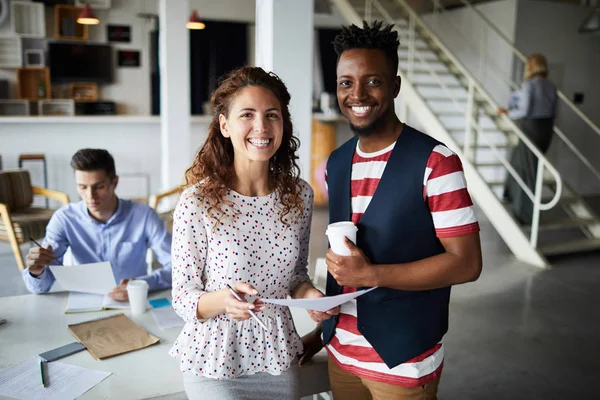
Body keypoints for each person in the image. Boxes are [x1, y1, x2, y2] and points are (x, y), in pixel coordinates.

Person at [301, 21, 483, 400]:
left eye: (373, 81)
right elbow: (346, 260)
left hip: (403, 363)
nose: (357, 94)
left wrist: (372, 274)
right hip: (342, 355)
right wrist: (323, 333)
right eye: (345, 83)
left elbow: (467, 264)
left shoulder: (437, 162)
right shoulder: (336, 163)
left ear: (395, 86)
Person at [169, 66, 335, 400]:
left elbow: (295, 278)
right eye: (247, 114)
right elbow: (183, 296)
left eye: (271, 115)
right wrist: (224, 301)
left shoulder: (300, 195)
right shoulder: (197, 201)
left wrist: (311, 296)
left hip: (277, 357)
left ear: (283, 124)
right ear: (225, 125)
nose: (261, 127)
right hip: (214, 361)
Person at [23, 149, 172, 301]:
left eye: (99, 187)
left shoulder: (144, 215)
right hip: (82, 304)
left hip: (132, 303)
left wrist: (143, 284)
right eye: (82, 187)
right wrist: (36, 271)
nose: (90, 196)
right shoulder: (64, 219)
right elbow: (40, 288)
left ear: (114, 182)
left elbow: (178, 268)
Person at [499, 53, 558, 224]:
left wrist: (507, 113)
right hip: (546, 129)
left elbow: (524, 111)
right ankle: (509, 194)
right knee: (520, 160)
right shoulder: (551, 86)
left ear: (530, 67)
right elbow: (554, 112)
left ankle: (525, 215)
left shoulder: (529, 85)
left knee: (528, 172)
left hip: (532, 128)